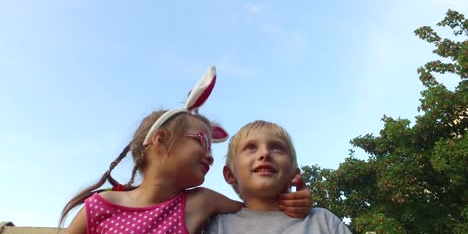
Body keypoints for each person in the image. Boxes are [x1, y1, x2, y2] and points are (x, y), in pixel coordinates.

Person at [59, 67, 312, 234]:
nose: (210, 155)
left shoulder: (202, 201)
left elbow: (258, 206)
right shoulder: (102, 205)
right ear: (159, 140)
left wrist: (295, 201)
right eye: (201, 141)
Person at [204, 120, 352, 234]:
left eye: (276, 147)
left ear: (294, 174)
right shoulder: (219, 226)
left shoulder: (323, 221)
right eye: (251, 148)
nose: (265, 154)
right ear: (230, 174)